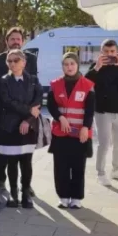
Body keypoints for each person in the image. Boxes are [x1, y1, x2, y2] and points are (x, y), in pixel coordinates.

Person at [84, 39, 118, 186]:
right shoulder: (96, 67)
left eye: (112, 52)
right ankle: (101, 173)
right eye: (106, 52)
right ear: (101, 52)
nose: (110, 54)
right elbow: (85, 81)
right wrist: (97, 67)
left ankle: (116, 170)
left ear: (117, 52)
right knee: (104, 144)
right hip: (102, 112)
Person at [47, 53, 94, 209]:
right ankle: (63, 196)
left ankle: (76, 197)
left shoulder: (87, 85)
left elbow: (90, 110)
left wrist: (85, 128)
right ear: (62, 67)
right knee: (61, 166)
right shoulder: (55, 84)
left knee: (78, 166)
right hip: (61, 133)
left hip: (80, 133)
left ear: (78, 65)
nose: (69, 67)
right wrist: (60, 117)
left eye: (72, 63)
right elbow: (51, 106)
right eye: (66, 64)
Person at [0, 49, 42, 209]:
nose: (12, 64)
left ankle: (25, 195)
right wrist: (28, 111)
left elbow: (37, 103)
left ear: (24, 62)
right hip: (9, 127)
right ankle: (13, 194)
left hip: (28, 127)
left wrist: (28, 120)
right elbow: (7, 101)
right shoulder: (3, 81)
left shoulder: (34, 81)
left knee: (26, 163)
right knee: (12, 163)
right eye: (9, 61)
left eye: (16, 60)